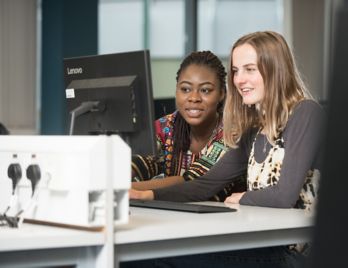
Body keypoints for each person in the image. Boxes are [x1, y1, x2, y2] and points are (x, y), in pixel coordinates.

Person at [129, 31, 325, 267]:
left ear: (275, 70)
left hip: (299, 255)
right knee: (141, 253)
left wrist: (244, 198)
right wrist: (148, 195)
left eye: (250, 69)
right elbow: (205, 185)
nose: (239, 79)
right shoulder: (254, 130)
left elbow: (284, 195)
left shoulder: (305, 113)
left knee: (151, 256)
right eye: (235, 70)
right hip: (266, 245)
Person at [129, 50, 245, 201]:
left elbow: (192, 184)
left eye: (205, 90)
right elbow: (141, 163)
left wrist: (119, 188)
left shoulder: (233, 133)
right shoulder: (165, 127)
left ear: (222, 93)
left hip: (228, 221)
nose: (194, 98)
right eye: (185, 89)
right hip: (174, 219)